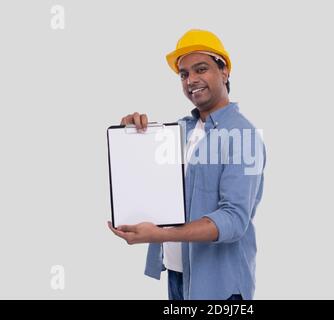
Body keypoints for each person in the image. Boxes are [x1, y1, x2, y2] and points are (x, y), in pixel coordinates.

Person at [108, 29, 266, 300]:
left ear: (224, 72)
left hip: (220, 288)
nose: (191, 80)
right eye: (184, 74)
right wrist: (130, 137)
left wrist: (157, 235)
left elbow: (234, 220)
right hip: (178, 276)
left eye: (200, 69)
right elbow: (152, 183)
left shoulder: (244, 135)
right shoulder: (179, 130)